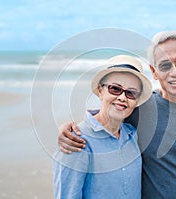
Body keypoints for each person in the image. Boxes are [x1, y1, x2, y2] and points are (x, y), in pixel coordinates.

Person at [57, 30, 176, 198]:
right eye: (165, 65)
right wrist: (69, 129)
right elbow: (108, 115)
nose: (175, 72)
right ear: (154, 72)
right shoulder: (139, 108)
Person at [52, 55, 153, 199]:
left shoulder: (132, 134)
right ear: (100, 91)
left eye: (131, 93)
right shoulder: (75, 141)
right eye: (115, 89)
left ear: (136, 100)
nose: (123, 98)